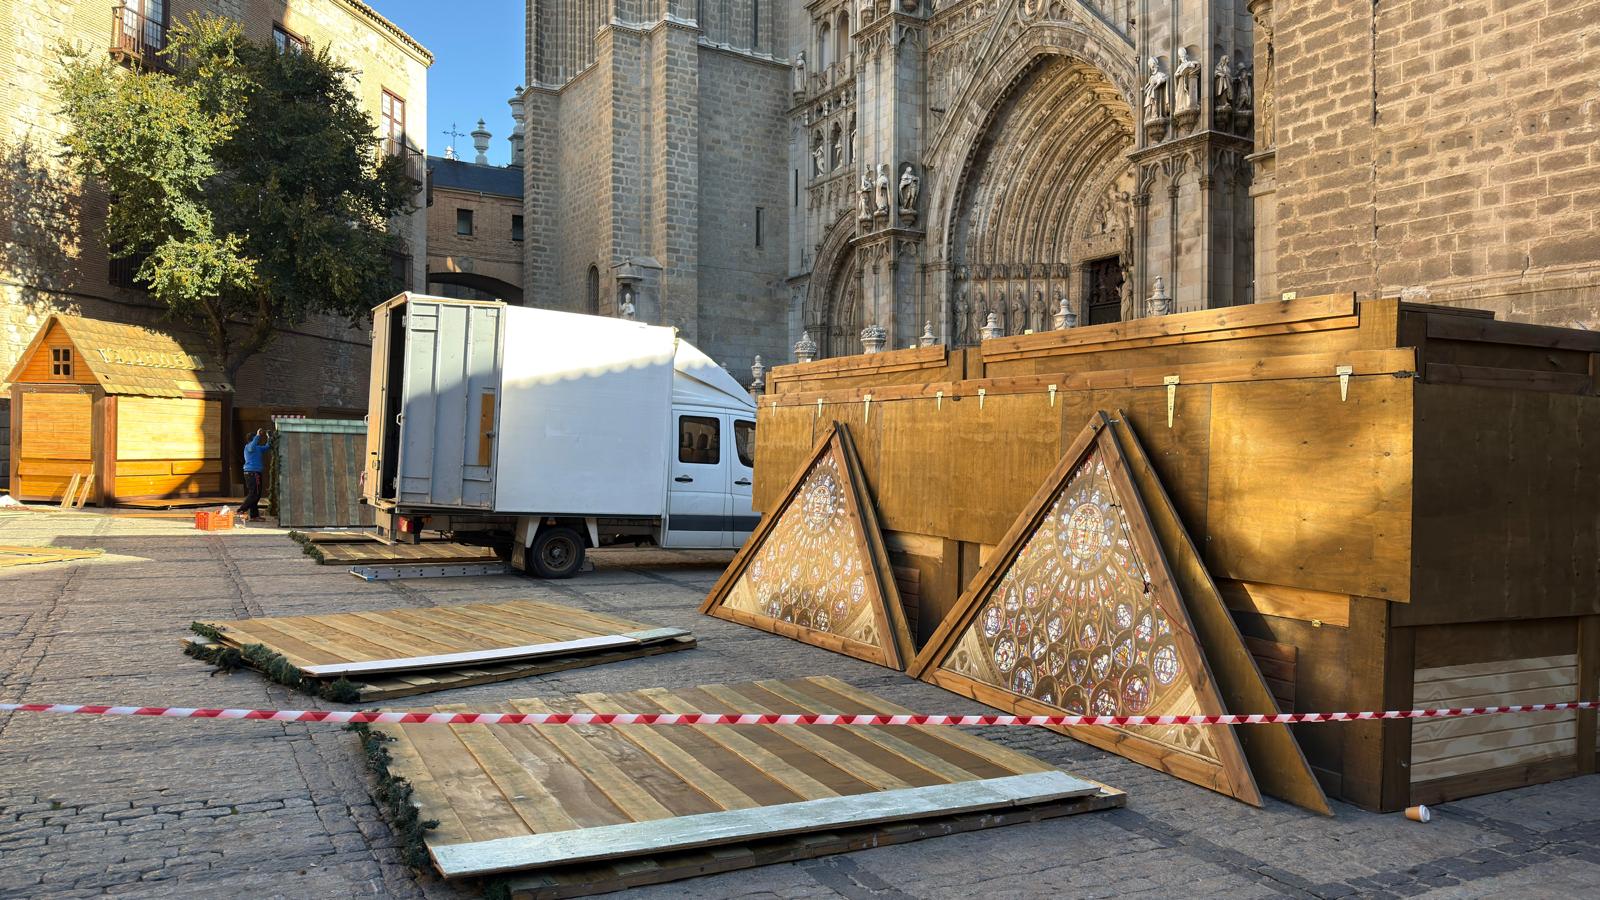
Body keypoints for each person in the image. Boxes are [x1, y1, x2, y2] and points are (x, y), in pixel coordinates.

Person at [240, 428, 273, 522]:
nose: (258, 440)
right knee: (254, 494)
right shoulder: (249, 447)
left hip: (255, 473)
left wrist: (269, 437)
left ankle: (254, 516)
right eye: (256, 438)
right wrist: (258, 435)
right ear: (253, 439)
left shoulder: (258, 448)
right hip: (252, 473)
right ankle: (241, 509)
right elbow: (252, 446)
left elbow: (267, 447)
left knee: (256, 495)